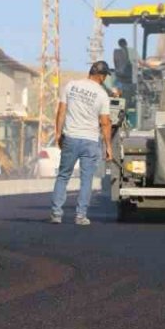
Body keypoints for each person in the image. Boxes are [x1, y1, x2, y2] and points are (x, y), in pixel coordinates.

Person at [49, 61, 115, 226]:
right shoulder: (102, 95)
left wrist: (58, 133)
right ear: (101, 76)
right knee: (86, 179)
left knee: (63, 176)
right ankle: (80, 216)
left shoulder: (71, 86)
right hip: (90, 141)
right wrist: (108, 147)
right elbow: (105, 123)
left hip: (71, 138)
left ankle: (56, 214)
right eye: (105, 76)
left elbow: (61, 111)